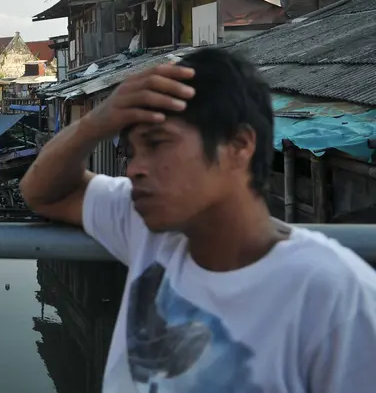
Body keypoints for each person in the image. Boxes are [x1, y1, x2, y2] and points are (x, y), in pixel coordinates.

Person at [20, 47, 376, 392]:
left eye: (157, 144)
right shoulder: (147, 224)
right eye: (130, 152)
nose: (135, 169)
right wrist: (96, 122)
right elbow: (44, 192)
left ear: (239, 146)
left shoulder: (336, 296)